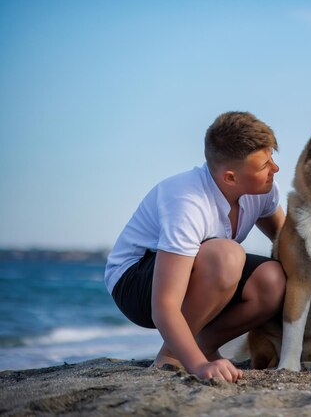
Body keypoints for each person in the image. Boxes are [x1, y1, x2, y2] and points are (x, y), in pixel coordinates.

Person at [104, 111, 287, 383]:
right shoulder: (187, 203)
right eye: (264, 165)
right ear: (230, 178)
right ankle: (173, 357)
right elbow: (164, 305)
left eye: (272, 158)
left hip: (197, 276)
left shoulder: (262, 191)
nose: (275, 169)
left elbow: (290, 245)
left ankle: (200, 345)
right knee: (227, 255)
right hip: (135, 283)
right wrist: (200, 367)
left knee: (273, 279)